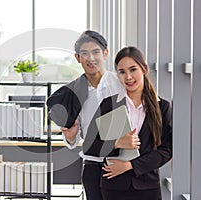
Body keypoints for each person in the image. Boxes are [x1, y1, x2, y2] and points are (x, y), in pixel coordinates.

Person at [47, 30, 125, 200]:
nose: (91, 58)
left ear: (105, 53)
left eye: (96, 52)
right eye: (84, 54)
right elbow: (72, 142)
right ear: (78, 58)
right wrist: (70, 136)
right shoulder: (73, 92)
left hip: (122, 163)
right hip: (92, 166)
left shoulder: (121, 84)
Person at [89, 46, 172, 200]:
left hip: (148, 186)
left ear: (144, 69)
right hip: (113, 186)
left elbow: (167, 150)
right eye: (122, 72)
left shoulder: (162, 107)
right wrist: (117, 143)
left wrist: (130, 165)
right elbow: (90, 146)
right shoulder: (109, 104)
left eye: (133, 69)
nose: (128, 77)